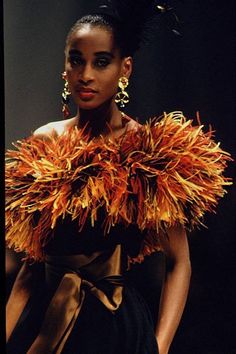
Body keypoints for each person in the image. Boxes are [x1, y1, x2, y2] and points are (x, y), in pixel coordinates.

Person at [5, 1, 231, 353]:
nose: (86, 75)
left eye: (101, 61)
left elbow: (178, 262)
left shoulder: (147, 151)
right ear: (65, 67)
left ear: (125, 68)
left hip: (113, 327)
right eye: (76, 59)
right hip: (45, 320)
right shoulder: (45, 141)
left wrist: (159, 347)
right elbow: (31, 266)